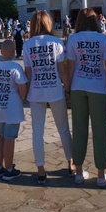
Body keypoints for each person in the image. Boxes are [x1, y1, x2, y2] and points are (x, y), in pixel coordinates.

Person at [23, 10, 73, 185]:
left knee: (37, 132)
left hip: (36, 92)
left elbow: (27, 73)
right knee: (63, 129)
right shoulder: (56, 42)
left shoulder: (28, 44)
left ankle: (41, 169)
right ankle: (71, 162)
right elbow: (62, 71)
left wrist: (25, 92)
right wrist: (68, 89)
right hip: (54, 91)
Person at [67, 8, 106, 186]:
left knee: (79, 129)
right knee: (101, 131)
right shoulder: (103, 39)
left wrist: (68, 88)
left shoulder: (73, 39)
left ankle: (78, 172)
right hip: (98, 87)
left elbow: (70, 66)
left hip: (78, 85)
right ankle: (101, 175)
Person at [0, 39, 28, 181]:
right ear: (14, 52)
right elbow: (22, 86)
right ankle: (8, 168)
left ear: (1, 52)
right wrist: (23, 97)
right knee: (10, 138)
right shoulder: (15, 67)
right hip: (11, 106)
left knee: (2, 135)